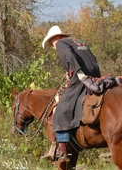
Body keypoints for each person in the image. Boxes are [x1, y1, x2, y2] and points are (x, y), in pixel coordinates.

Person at [42, 25, 101, 159]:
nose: (53, 46)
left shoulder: (61, 44)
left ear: (56, 38)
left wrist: (78, 73)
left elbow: (68, 56)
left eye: (52, 42)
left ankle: (62, 148)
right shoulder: (78, 41)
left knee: (62, 106)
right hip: (95, 74)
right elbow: (92, 58)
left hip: (81, 76)